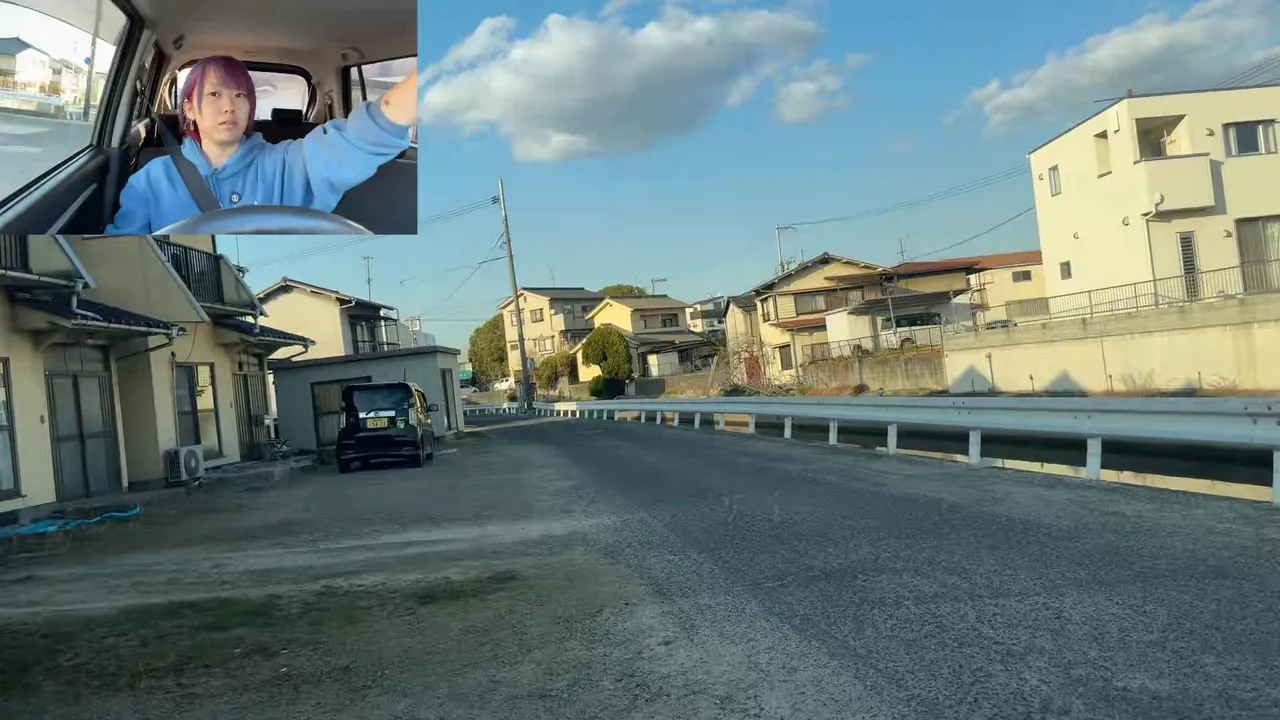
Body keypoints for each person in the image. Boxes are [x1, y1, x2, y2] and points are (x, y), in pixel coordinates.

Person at [105, 55, 417, 234]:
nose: (229, 106)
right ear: (189, 109)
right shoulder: (149, 180)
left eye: (240, 95)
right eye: (214, 94)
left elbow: (356, 141)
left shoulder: (287, 163)